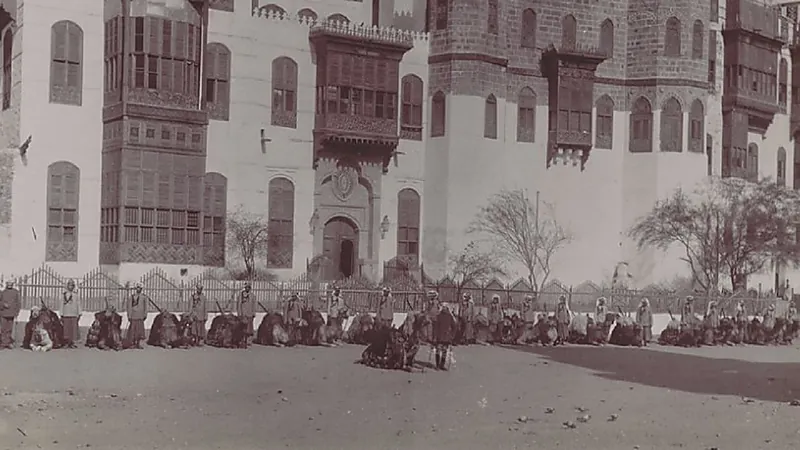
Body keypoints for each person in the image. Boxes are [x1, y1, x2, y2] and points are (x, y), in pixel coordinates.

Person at [433, 304, 457, 371]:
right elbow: (454, 327)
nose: (443, 308)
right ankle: (440, 365)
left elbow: (454, 327)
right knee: (443, 351)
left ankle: (439, 365)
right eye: (443, 307)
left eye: (444, 307)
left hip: (442, 337)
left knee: (441, 351)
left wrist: (452, 335)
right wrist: (452, 335)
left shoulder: (445, 316)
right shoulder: (441, 316)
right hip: (443, 337)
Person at [126, 282, 148, 349]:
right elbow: (129, 306)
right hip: (133, 316)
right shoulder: (132, 297)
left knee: (140, 331)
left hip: (140, 316)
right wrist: (129, 315)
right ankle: (132, 343)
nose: (138, 289)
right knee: (132, 331)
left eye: (140, 288)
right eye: (137, 288)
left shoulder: (144, 297)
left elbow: (146, 307)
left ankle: (138, 344)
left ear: (141, 289)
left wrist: (145, 314)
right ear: (136, 288)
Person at [60, 280, 81, 348]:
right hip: (66, 313)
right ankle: (66, 342)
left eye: (72, 285)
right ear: (67, 286)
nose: (70, 287)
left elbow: (78, 304)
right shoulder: (64, 294)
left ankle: (72, 342)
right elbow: (61, 304)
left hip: (74, 313)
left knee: (73, 329)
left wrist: (79, 313)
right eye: (69, 285)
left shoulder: (76, 295)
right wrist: (61, 313)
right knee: (66, 329)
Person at [0, 280, 21, 349]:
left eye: (11, 283)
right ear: (6, 284)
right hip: (3, 313)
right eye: (8, 283)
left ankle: (8, 343)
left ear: (12, 284)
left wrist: (17, 312)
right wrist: (3, 304)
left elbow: (18, 303)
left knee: (9, 329)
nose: (9, 284)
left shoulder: (15, 292)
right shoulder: (3, 292)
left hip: (12, 313)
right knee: (3, 329)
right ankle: (3, 343)